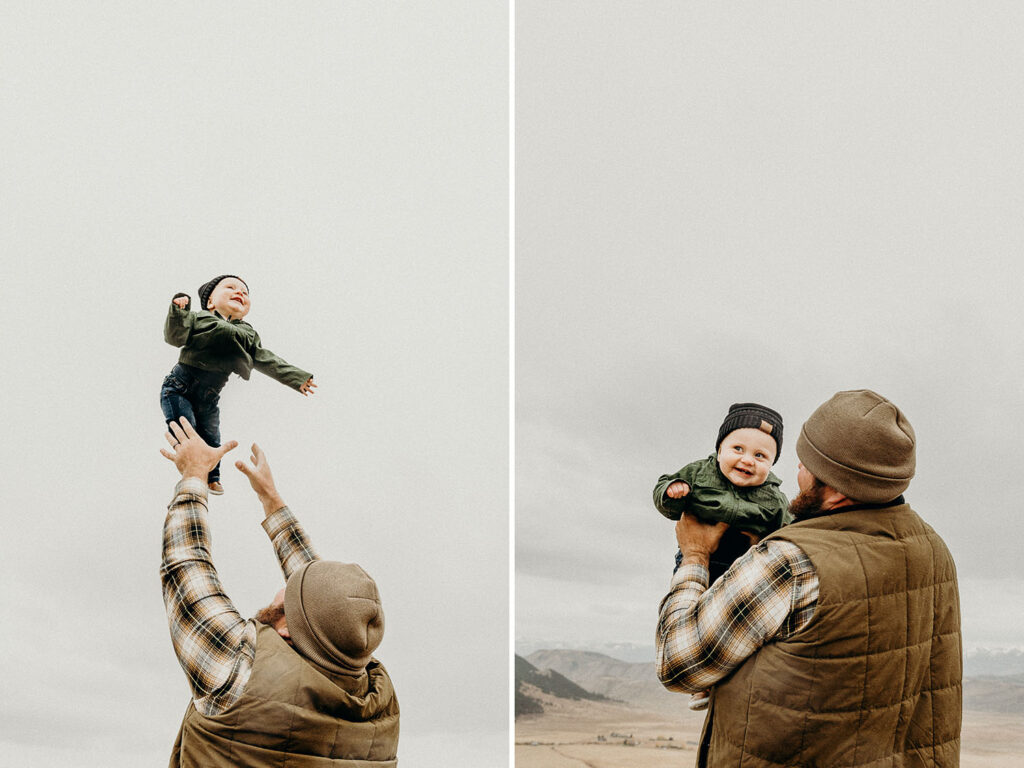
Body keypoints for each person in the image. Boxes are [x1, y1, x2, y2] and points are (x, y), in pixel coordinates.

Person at [656, 389, 961, 767]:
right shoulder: (935, 551)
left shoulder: (792, 559)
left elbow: (679, 663)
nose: (795, 473)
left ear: (835, 486)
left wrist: (695, 556)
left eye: (805, 463)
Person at [159, 417, 398, 768]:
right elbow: (329, 607)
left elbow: (185, 564)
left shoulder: (238, 673)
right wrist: (271, 500)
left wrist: (194, 473)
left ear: (288, 630)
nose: (283, 585)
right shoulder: (377, 701)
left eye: (287, 597)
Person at [652, 402, 791, 710]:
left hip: (743, 566)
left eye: (760, 456)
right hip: (700, 559)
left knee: (729, 621)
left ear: (772, 464)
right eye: (737, 448)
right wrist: (673, 492)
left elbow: (789, 528)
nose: (747, 460)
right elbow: (665, 491)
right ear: (719, 449)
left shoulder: (774, 496)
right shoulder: (699, 473)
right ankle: (699, 685)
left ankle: (716, 677)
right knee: (693, 613)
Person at [161, 274, 317, 494]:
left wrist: (297, 378)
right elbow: (174, 336)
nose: (240, 293)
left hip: (209, 396)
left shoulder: (248, 334)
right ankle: (193, 469)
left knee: (212, 434)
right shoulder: (198, 319)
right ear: (211, 302)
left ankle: (213, 477)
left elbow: (267, 359)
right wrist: (179, 310)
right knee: (186, 428)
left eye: (245, 292)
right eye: (231, 287)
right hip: (179, 387)